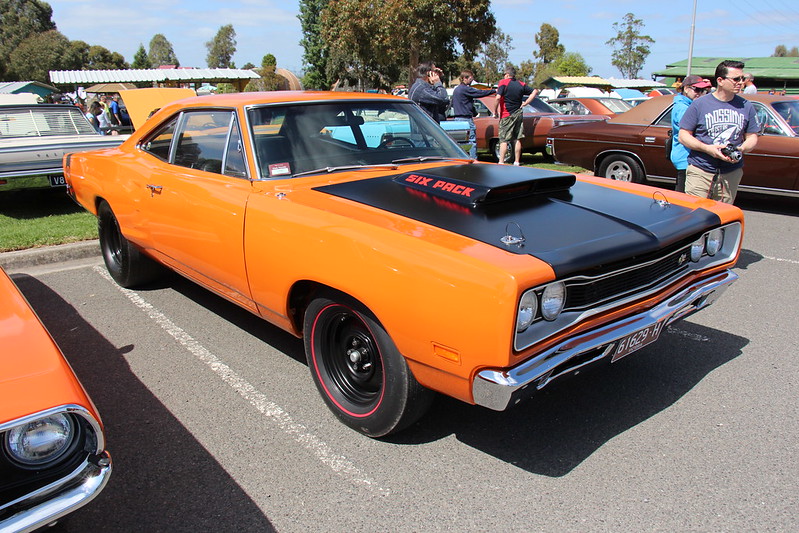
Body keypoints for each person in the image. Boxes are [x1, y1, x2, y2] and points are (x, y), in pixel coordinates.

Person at [678, 60, 759, 203]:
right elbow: (683, 136)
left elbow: (752, 137)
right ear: (720, 81)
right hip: (700, 170)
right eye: (736, 79)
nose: (740, 83)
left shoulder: (746, 106)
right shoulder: (700, 104)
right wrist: (707, 149)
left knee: (722, 216)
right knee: (694, 213)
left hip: (731, 172)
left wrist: (741, 149)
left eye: (742, 79)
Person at [670, 75, 711, 192]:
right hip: (685, 158)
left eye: (703, 90)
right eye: (697, 89)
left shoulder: (690, 105)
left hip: (688, 157)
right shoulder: (683, 107)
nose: (700, 93)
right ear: (686, 88)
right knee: (683, 197)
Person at [493, 66, 539, 165]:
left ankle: (501, 161)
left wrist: (495, 111)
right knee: (517, 138)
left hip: (506, 114)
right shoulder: (521, 84)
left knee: (504, 139)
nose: (504, 76)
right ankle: (517, 161)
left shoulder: (503, 83)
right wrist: (526, 102)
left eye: (504, 74)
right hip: (518, 113)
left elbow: (497, 98)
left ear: (507, 75)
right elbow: (535, 91)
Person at [451, 70, 496, 159]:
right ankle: (473, 159)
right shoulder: (465, 89)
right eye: (470, 79)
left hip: (457, 119)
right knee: (471, 140)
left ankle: (461, 158)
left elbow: (454, 104)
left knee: (461, 141)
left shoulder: (456, 90)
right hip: (466, 119)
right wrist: (493, 91)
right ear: (464, 78)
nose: (472, 81)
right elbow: (479, 93)